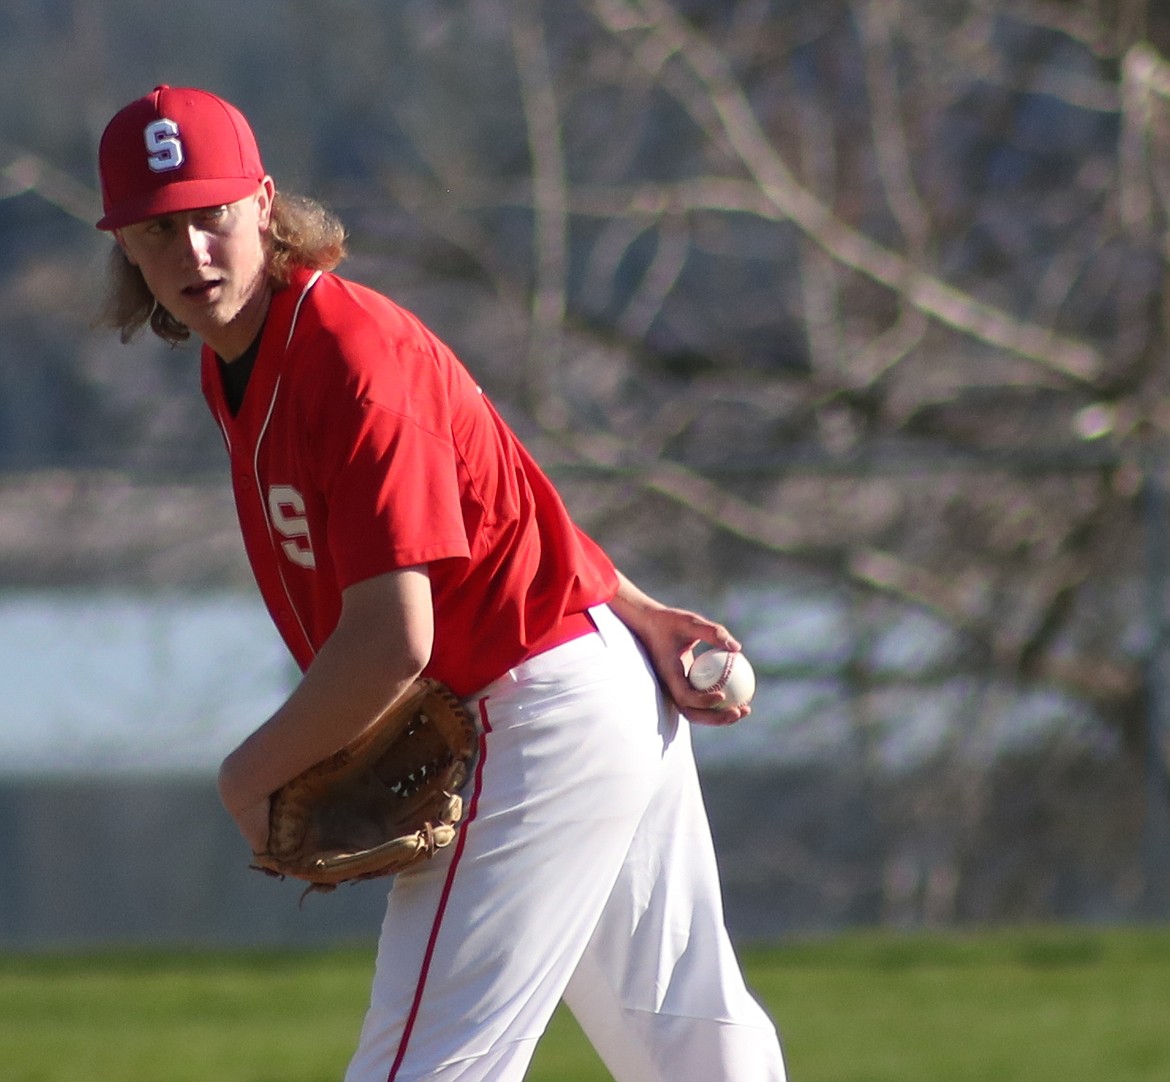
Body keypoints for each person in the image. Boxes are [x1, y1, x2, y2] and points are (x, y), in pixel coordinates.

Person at [96, 85, 786, 1082]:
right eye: (160, 230)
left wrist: (249, 772)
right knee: (690, 1044)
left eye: (210, 215)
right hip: (573, 677)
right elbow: (493, 488)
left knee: (428, 1065)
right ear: (125, 247)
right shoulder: (246, 358)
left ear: (262, 204)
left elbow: (392, 640)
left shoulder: (349, 354)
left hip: (532, 711)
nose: (194, 253)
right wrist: (630, 606)